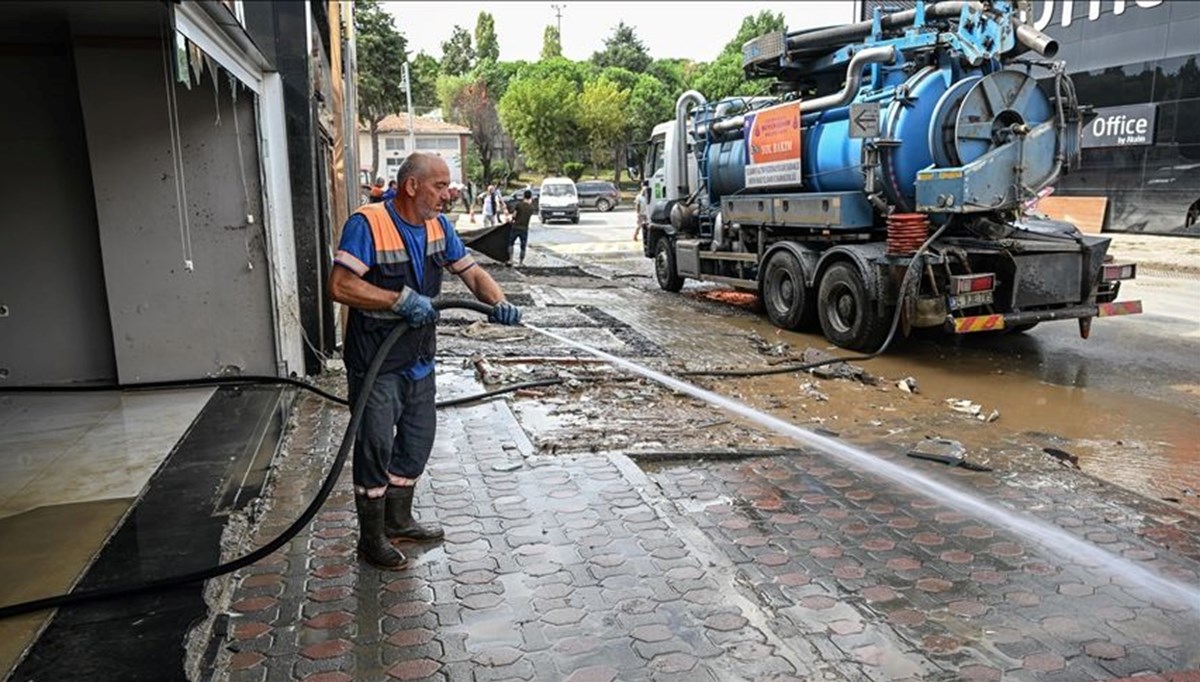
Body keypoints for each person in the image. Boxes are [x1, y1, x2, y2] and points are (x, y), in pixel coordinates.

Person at [328, 152, 523, 570]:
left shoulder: (438, 227)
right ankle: (371, 537)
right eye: (440, 185)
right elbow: (341, 285)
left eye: (448, 185)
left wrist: (499, 303)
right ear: (412, 185)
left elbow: (470, 273)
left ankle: (399, 520)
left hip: (418, 358)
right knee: (376, 445)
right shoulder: (368, 224)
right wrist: (397, 299)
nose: (448, 193)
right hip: (377, 360)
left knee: (416, 441)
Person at [507, 189, 537, 267]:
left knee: (511, 243)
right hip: (524, 229)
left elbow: (514, 215)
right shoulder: (531, 208)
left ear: (523, 196)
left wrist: (512, 220)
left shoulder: (519, 205)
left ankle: (510, 259)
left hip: (515, 227)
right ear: (530, 197)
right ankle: (521, 262)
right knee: (523, 246)